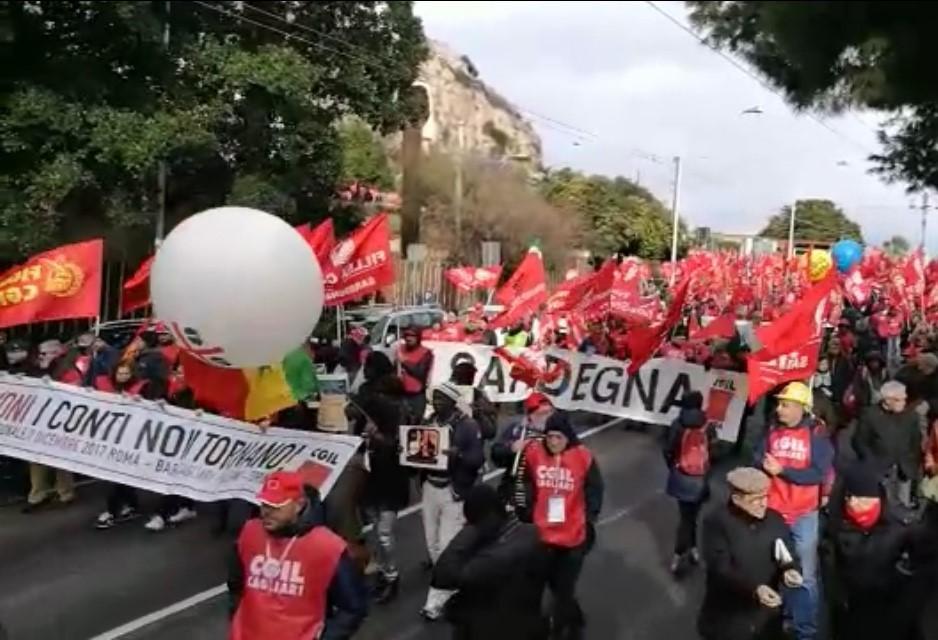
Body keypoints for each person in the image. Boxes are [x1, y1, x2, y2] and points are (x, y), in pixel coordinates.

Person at [228, 470, 367, 639]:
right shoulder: (250, 532)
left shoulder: (326, 546)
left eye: (276, 506)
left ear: (299, 504)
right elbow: (236, 584)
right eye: (264, 504)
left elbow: (353, 607)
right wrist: (238, 618)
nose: (266, 512)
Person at [753, 381, 833, 640]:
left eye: (786, 405)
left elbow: (817, 474)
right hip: (774, 512)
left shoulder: (817, 437)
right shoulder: (771, 431)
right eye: (779, 404)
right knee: (776, 569)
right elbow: (757, 458)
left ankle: (805, 631)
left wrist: (783, 471)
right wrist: (761, 464)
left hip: (803, 515)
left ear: (802, 408)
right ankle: (783, 617)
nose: (779, 409)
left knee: (805, 575)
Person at [520, 412, 603, 639]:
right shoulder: (535, 453)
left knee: (564, 589)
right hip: (542, 537)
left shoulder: (583, 457)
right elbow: (521, 477)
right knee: (547, 585)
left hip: (572, 539)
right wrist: (527, 509)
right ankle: (573, 617)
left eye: (558, 437)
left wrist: (589, 519)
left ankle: (561, 631)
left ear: (568, 437)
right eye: (550, 437)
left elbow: (595, 489)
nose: (553, 442)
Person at [432, 484, 551, 640]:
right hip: (528, 621)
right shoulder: (532, 533)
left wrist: (470, 530)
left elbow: (442, 575)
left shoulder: (494, 559)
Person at [698, 467, 803, 640]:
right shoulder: (717, 523)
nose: (763, 504)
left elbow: (785, 551)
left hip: (766, 617)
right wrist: (755, 589)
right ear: (737, 499)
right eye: (756, 500)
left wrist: (790, 569)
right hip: (730, 617)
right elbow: (721, 567)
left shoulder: (775, 520)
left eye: (766, 497)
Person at [826, 462, 924, 639]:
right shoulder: (836, 528)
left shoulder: (900, 529)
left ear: (876, 500)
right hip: (849, 611)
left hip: (888, 611)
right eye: (849, 497)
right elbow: (830, 570)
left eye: (861, 499)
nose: (853, 503)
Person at [420, 382, 485, 621]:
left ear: (452, 401)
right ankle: (453, 583)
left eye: (441, 398)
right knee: (432, 544)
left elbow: (478, 458)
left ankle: (434, 603)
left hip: (453, 490)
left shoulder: (467, 426)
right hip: (429, 487)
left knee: (447, 546)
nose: (436, 403)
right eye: (434, 398)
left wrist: (459, 455)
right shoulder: (428, 421)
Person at [348, 351, 410, 604]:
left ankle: (392, 576)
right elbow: (353, 416)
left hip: (391, 475)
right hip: (373, 471)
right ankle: (384, 572)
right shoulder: (370, 398)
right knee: (375, 526)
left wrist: (376, 437)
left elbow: (400, 444)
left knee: (384, 531)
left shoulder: (397, 408)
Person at [93, 361, 153, 529]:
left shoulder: (141, 389)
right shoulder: (106, 386)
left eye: (126, 374)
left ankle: (113, 510)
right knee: (117, 477)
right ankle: (129, 505)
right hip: (112, 439)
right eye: (120, 374)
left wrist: (141, 402)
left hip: (130, 439)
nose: (123, 377)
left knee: (119, 477)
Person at [22, 339, 78, 512]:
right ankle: (38, 495)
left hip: (60, 418)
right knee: (36, 458)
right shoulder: (33, 368)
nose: (42, 356)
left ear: (56, 352)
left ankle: (65, 493)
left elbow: (74, 390)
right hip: (37, 418)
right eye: (40, 352)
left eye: (46, 352)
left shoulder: (67, 368)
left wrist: (54, 385)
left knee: (59, 457)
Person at [662, 390, 715, 574]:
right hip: (700, 479)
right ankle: (691, 550)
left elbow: (667, 450)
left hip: (681, 476)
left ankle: (680, 554)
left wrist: (675, 467)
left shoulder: (677, 424)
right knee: (692, 517)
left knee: (686, 517)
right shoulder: (708, 425)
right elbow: (714, 453)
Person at [853, 380, 922, 510]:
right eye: (900, 400)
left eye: (904, 399)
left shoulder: (911, 416)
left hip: (905, 468)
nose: (904, 402)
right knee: (884, 507)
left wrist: (913, 462)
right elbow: (859, 442)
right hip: (880, 469)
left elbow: (916, 441)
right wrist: (871, 462)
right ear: (888, 400)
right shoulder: (870, 415)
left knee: (903, 506)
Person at [491, 392, 555, 515]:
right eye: (542, 414)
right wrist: (511, 449)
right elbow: (496, 454)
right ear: (530, 416)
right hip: (517, 492)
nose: (548, 417)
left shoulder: (559, 432)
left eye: (550, 412)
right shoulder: (517, 431)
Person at [397, 327, 433, 423]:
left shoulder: (425, 352)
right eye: (407, 335)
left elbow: (420, 372)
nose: (409, 338)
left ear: (418, 337)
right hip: (401, 394)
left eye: (412, 336)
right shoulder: (400, 349)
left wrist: (404, 362)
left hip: (417, 396)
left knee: (415, 425)